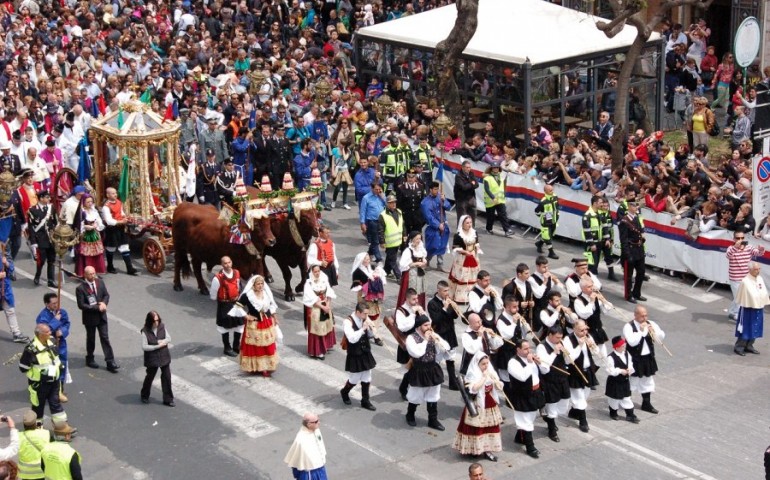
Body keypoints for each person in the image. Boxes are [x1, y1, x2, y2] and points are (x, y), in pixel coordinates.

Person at [18, 324, 77, 436]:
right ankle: (38, 431)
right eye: (47, 332)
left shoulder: (52, 341)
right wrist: (38, 375)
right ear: (40, 334)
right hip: (39, 385)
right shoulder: (31, 349)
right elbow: (23, 367)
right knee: (38, 409)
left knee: (56, 405)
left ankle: (61, 428)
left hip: (54, 382)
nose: (50, 333)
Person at [452, 351, 503, 462]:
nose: (486, 366)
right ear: (477, 364)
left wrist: (498, 384)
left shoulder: (490, 371)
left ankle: (488, 450)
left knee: (490, 428)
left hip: (489, 402)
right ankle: (474, 449)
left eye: (487, 363)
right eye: (483, 364)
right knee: (476, 428)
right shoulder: (472, 373)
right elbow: (473, 389)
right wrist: (484, 378)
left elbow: (497, 385)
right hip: (477, 403)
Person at [405, 314, 450, 430]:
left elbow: (446, 348)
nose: (429, 327)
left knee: (433, 395)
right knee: (415, 395)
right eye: (426, 325)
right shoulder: (411, 338)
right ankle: (410, 415)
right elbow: (417, 353)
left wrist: (437, 340)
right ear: (419, 326)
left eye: (429, 325)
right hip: (419, 369)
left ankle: (433, 420)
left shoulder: (432, 335)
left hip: (432, 368)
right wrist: (425, 340)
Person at [229, 275, 279, 376]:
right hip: (255, 325)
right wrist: (246, 316)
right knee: (256, 347)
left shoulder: (266, 293)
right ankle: (258, 367)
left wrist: (275, 317)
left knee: (267, 345)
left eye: (262, 284)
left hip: (266, 323)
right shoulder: (247, 296)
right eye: (258, 284)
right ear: (253, 285)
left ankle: (267, 365)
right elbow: (237, 307)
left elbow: (271, 306)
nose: (260, 286)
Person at [75, 266, 119, 373]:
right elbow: (81, 305)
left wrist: (104, 303)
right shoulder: (80, 288)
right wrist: (96, 307)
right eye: (90, 274)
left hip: (102, 316)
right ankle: (90, 358)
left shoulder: (100, 283)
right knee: (91, 339)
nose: (93, 275)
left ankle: (110, 361)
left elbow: (106, 295)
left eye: (94, 273)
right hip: (90, 318)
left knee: (105, 338)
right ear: (85, 275)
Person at [507, 338, 546, 458]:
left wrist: (540, 363)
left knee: (530, 417)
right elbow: (522, 377)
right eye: (525, 349)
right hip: (522, 394)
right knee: (526, 420)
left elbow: (545, 371)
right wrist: (529, 363)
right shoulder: (513, 362)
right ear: (518, 349)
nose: (528, 351)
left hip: (535, 391)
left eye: (529, 348)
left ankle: (519, 437)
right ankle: (530, 447)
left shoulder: (531, 360)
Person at [622, 306, 665, 414]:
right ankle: (626, 403)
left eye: (646, 315)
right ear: (635, 315)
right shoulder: (628, 326)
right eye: (642, 316)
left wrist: (654, 332)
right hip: (635, 358)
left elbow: (660, 338)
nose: (645, 318)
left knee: (647, 380)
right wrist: (641, 331)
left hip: (647, 357)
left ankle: (646, 403)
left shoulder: (651, 323)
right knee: (632, 381)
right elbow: (632, 342)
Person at [340, 302, 377, 411]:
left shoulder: (364, 318)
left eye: (367, 314)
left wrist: (371, 329)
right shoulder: (348, 322)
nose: (366, 316)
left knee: (367, 377)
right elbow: (352, 338)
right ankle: (344, 392)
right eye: (364, 314)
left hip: (365, 352)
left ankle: (365, 400)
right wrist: (362, 329)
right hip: (355, 353)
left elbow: (369, 335)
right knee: (354, 379)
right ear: (357, 312)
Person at [563, 319, 599, 432]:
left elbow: (596, 352)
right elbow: (568, 359)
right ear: (574, 329)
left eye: (585, 329)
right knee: (579, 396)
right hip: (576, 372)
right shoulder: (568, 340)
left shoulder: (588, 336)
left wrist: (592, 346)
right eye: (581, 330)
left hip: (588, 370)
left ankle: (574, 412)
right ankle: (583, 421)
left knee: (586, 394)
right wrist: (579, 345)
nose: (584, 332)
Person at [536, 326, 571, 442]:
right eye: (557, 337)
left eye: (561, 337)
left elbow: (568, 362)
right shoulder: (541, 347)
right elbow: (544, 368)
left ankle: (549, 418)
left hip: (562, 379)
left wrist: (566, 354)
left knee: (564, 403)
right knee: (552, 405)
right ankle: (552, 429)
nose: (559, 340)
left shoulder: (561, 344)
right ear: (550, 335)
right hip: (550, 381)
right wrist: (554, 353)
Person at [35, 294, 70, 403]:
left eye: (57, 302)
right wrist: (55, 321)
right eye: (53, 303)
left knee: (62, 366)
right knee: (51, 369)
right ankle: (52, 392)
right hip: (49, 346)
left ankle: (60, 390)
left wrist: (62, 332)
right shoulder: (42, 316)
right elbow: (45, 331)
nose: (56, 305)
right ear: (46, 304)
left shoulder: (61, 312)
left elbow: (67, 324)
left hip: (61, 344)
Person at [428, 280, 461, 391]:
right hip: (440, 335)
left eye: (448, 290)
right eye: (445, 291)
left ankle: (452, 382)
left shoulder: (448, 300)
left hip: (450, 334)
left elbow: (455, 317)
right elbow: (436, 319)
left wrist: (454, 307)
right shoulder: (432, 303)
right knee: (437, 359)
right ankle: (433, 380)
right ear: (438, 290)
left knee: (450, 359)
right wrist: (444, 309)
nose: (447, 293)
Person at [726, 230, 764, 321]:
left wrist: (761, 249)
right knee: (740, 297)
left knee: (738, 297)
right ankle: (738, 316)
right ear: (734, 239)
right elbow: (728, 255)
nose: (740, 240)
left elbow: (758, 253)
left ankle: (732, 311)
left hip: (746, 278)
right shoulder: (731, 248)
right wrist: (735, 247)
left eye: (742, 238)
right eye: (738, 238)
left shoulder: (749, 247)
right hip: (735, 278)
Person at [733, 262, 770, 356]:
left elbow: (763, 291)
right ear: (750, 270)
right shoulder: (745, 281)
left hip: (759, 307)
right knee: (746, 328)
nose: (758, 271)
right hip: (748, 308)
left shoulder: (760, 278)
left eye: (759, 269)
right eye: (756, 269)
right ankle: (739, 347)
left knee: (755, 327)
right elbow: (746, 295)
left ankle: (749, 345)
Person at [209, 256, 243, 357]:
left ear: (231, 262)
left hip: (236, 303)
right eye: (225, 263)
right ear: (222, 264)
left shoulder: (236, 273)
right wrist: (220, 301)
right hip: (224, 304)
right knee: (224, 327)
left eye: (229, 262)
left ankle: (236, 345)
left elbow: (238, 285)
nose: (227, 265)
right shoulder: (217, 278)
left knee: (239, 325)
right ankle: (227, 348)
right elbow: (213, 293)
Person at [395, 288, 426, 400]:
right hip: (408, 342)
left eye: (417, 298)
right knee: (410, 368)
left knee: (415, 367)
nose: (416, 301)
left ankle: (408, 388)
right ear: (407, 299)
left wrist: (423, 314)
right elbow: (403, 327)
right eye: (413, 299)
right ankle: (405, 389)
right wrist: (413, 314)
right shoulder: (401, 311)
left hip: (418, 341)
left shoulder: (418, 307)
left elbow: (426, 322)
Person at [350, 253, 386, 347]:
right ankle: (365, 333)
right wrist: (367, 283)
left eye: (368, 259)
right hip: (364, 297)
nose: (367, 260)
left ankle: (375, 335)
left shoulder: (371, 268)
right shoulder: (357, 271)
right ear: (361, 260)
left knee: (375, 315)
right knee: (365, 315)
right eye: (365, 259)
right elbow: (357, 286)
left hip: (373, 297)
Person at [139, 311, 174, 407]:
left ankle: (168, 399)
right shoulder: (145, 331)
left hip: (163, 356)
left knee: (167, 377)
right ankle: (144, 395)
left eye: (158, 320)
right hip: (152, 358)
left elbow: (168, 338)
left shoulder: (162, 326)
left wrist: (162, 341)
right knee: (150, 377)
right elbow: (144, 347)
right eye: (155, 321)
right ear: (150, 321)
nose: (157, 323)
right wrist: (156, 346)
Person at [101, 187, 138, 275]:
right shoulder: (106, 207)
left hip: (121, 228)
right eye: (113, 193)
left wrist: (125, 217)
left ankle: (130, 268)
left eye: (115, 193)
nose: (115, 195)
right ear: (108, 195)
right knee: (111, 248)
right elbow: (109, 221)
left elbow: (121, 213)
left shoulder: (119, 202)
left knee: (125, 247)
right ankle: (110, 266)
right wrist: (120, 221)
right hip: (112, 229)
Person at [303, 265, 337, 360]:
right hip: (316, 308)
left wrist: (328, 305)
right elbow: (311, 299)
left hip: (325, 306)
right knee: (318, 328)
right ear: (312, 272)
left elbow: (329, 292)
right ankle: (317, 351)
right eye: (315, 272)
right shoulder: (308, 284)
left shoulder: (324, 279)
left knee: (327, 325)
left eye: (318, 271)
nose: (317, 273)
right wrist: (323, 307)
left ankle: (326, 345)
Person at [605, 336, 639, 423]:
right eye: (623, 346)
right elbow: (610, 370)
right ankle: (613, 412)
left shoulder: (627, 353)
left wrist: (629, 370)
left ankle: (630, 414)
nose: (625, 347)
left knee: (626, 398)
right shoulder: (611, 357)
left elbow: (630, 363)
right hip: (615, 382)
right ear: (617, 347)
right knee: (614, 399)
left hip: (624, 381)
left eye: (624, 345)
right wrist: (620, 371)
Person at [573, 277, 610, 358]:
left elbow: (606, 310)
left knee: (603, 355)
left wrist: (603, 300)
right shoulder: (578, 301)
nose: (592, 288)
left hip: (598, 328)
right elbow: (584, 314)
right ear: (583, 289)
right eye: (589, 287)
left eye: (592, 286)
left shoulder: (596, 296)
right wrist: (591, 302)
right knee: (591, 355)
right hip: (587, 331)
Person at [283, 413, 328, 480]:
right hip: (310, 474)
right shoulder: (301, 441)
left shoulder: (316, 430)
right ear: (309, 424)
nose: (319, 422)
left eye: (318, 419)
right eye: (316, 421)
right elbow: (296, 462)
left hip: (321, 469)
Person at [449, 215, 482, 303]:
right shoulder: (458, 235)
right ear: (462, 224)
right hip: (462, 258)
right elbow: (455, 247)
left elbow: (477, 243)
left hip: (473, 257)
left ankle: (472, 296)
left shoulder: (474, 233)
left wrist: (477, 249)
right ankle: (460, 297)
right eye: (467, 223)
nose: (469, 224)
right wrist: (464, 252)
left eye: (470, 222)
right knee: (462, 276)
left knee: (473, 276)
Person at [27, 190, 57, 287]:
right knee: (41, 260)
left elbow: (55, 223)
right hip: (40, 239)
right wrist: (33, 242)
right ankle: (37, 275)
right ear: (41, 198)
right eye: (47, 197)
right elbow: (31, 228)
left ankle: (51, 280)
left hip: (51, 238)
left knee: (51, 260)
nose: (49, 199)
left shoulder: (51, 207)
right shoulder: (32, 210)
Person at [618, 201, 646, 303]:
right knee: (628, 276)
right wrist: (627, 254)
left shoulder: (636, 217)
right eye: (634, 205)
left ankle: (636, 293)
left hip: (638, 249)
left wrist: (642, 239)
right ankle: (628, 295)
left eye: (637, 205)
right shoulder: (624, 221)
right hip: (630, 249)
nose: (636, 207)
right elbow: (623, 239)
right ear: (629, 207)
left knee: (641, 272)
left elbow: (639, 232)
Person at [421, 181, 451, 271]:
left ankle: (440, 264)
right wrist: (438, 225)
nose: (437, 191)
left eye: (437, 189)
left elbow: (448, 207)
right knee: (432, 246)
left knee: (442, 245)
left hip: (443, 224)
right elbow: (429, 216)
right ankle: (427, 260)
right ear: (430, 190)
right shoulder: (425, 202)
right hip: (433, 227)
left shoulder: (440, 197)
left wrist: (444, 200)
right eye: (435, 189)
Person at [0, 247, 27, 344]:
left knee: (10, 311)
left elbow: (11, 269)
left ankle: (16, 333)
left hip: (5, 288)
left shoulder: (2, 253)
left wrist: (6, 263)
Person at [75, 194, 106, 276]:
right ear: (83, 202)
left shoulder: (94, 210)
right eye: (88, 202)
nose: (90, 203)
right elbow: (78, 224)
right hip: (85, 236)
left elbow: (99, 220)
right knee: (87, 255)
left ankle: (95, 272)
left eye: (91, 201)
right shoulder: (82, 212)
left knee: (97, 254)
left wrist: (97, 225)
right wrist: (85, 227)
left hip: (95, 234)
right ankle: (86, 273)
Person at [397, 231, 428, 309]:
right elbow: (402, 264)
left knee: (419, 292)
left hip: (420, 274)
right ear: (412, 239)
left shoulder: (421, 249)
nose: (418, 241)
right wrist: (415, 264)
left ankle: (419, 310)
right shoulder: (408, 251)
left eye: (420, 239)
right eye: (417, 239)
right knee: (410, 293)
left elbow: (423, 259)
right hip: (410, 275)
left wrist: (424, 262)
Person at [378, 194, 406, 282]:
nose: (393, 204)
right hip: (389, 242)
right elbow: (380, 230)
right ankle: (399, 277)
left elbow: (402, 225)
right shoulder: (383, 215)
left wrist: (404, 235)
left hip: (398, 241)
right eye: (391, 203)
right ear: (387, 204)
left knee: (390, 258)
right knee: (393, 259)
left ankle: (386, 271)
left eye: (394, 202)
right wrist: (382, 242)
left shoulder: (399, 212)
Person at [17, 410, 51, 478]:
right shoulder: (45, 433)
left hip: (24, 472)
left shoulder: (18, 436)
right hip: (40, 472)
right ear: (35, 423)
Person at [482, 163, 514, 236]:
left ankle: (507, 230)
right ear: (491, 168)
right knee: (491, 216)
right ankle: (489, 228)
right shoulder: (487, 178)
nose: (496, 169)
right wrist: (493, 197)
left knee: (503, 215)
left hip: (500, 200)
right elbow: (487, 189)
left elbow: (503, 187)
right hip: (490, 201)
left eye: (497, 167)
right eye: (494, 168)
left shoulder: (501, 177)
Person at [359, 182, 385, 263]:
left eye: (379, 189)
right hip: (372, 221)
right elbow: (362, 211)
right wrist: (362, 223)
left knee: (375, 240)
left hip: (381, 221)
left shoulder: (381, 196)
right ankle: (379, 258)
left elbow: (388, 205)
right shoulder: (366, 198)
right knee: (375, 240)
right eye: (376, 189)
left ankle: (369, 253)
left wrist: (383, 197)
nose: (378, 191)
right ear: (372, 188)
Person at [534, 184, 559, 259]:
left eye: (552, 190)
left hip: (554, 220)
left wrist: (557, 214)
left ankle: (539, 243)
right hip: (546, 222)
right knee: (548, 237)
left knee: (549, 235)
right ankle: (551, 252)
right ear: (545, 191)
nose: (552, 191)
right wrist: (542, 216)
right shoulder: (543, 202)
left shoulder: (555, 197)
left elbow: (557, 207)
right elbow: (536, 211)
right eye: (550, 190)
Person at [454, 160, 480, 227]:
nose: (469, 169)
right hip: (461, 200)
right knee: (462, 218)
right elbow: (463, 187)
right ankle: (460, 233)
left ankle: (471, 231)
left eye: (469, 167)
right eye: (467, 167)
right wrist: (471, 183)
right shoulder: (458, 176)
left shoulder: (471, 173)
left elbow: (477, 185)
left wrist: (470, 184)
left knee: (472, 217)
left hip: (471, 198)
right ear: (462, 167)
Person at [582, 195, 603, 275]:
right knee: (592, 264)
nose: (602, 204)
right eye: (600, 203)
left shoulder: (598, 214)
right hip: (591, 244)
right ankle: (587, 281)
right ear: (595, 203)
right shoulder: (587, 215)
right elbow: (587, 231)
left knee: (596, 263)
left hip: (598, 242)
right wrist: (591, 244)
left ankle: (592, 281)